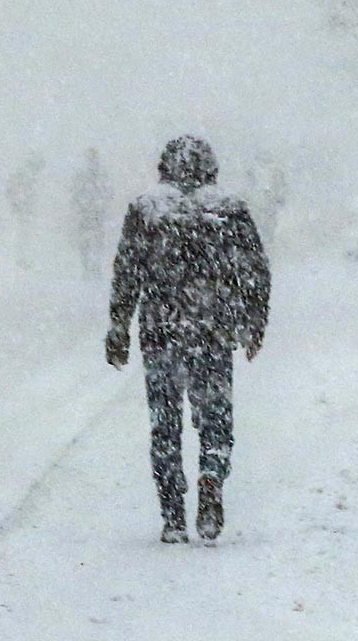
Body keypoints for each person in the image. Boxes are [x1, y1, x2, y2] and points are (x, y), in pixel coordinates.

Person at [105, 135, 271, 544]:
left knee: (165, 423)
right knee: (215, 417)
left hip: (162, 330)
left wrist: (119, 327)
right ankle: (211, 474)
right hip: (212, 330)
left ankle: (173, 512)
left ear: (164, 167)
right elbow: (254, 272)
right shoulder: (231, 210)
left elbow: (128, 272)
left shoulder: (146, 209)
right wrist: (253, 324)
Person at [70, 147, 113, 280]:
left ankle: (91, 266)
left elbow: (75, 193)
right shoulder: (96, 174)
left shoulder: (94, 174)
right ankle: (90, 266)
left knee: (91, 241)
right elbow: (109, 192)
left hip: (92, 213)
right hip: (92, 213)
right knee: (91, 241)